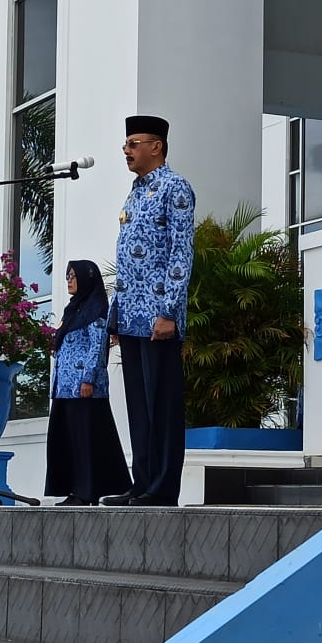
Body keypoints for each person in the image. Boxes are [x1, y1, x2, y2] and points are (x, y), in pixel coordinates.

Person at [101, 114, 196, 507]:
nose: (126, 150)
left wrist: (169, 311)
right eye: (126, 143)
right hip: (132, 316)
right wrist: (116, 318)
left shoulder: (175, 188)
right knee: (138, 408)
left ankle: (161, 488)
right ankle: (141, 485)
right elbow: (126, 264)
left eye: (133, 142)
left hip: (159, 317)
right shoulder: (135, 193)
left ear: (156, 146)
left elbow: (180, 253)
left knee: (162, 406)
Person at [44, 260, 131, 506]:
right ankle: (75, 490)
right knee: (69, 439)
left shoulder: (96, 309)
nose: (69, 280)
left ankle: (87, 492)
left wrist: (88, 379)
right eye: (67, 275)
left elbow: (97, 346)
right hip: (64, 388)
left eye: (73, 275)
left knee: (87, 440)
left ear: (87, 277)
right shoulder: (74, 310)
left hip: (85, 388)